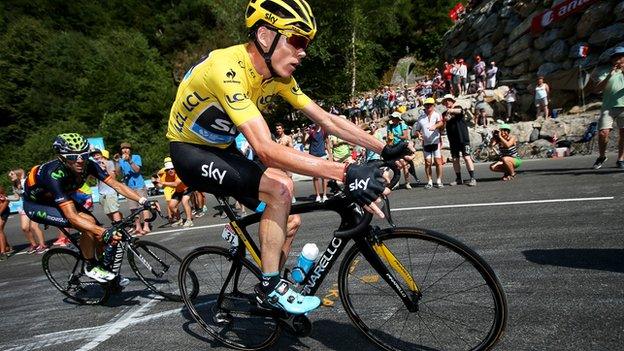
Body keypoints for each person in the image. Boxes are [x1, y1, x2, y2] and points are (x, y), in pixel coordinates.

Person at [166, 0, 407, 315]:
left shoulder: (278, 78)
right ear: (265, 35)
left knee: (290, 219)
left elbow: (328, 121)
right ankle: (270, 287)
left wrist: (383, 148)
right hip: (189, 151)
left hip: (223, 149)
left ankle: (272, 281)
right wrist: (346, 171)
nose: (303, 51)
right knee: (279, 188)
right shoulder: (226, 69)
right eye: (298, 40)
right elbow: (265, 148)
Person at [23, 133, 157, 282]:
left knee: (99, 234)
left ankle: (106, 272)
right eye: (73, 157)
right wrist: (103, 231)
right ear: (62, 158)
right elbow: (72, 216)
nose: (80, 160)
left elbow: (116, 185)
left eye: (84, 155)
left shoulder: (89, 165)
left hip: (60, 199)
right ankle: (91, 266)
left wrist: (143, 200)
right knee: (90, 225)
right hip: (38, 204)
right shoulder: (53, 174)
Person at [590, 46, 624, 170]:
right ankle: (602, 156)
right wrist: (610, 75)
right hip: (608, 107)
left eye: (620, 57)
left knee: (623, 133)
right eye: (615, 58)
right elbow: (597, 88)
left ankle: (621, 159)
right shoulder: (606, 72)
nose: (618, 60)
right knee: (603, 133)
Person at [8, 169, 48, 253]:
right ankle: (34, 245)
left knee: (34, 227)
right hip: (24, 206)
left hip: (34, 205)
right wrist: (6, 198)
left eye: (11, 175)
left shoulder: (25, 180)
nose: (10, 178)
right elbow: (17, 197)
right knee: (25, 228)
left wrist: (14, 173)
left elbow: (22, 171)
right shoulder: (14, 185)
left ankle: (43, 245)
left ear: (16, 174)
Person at [442, 94, 477, 186]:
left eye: (449, 100)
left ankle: (472, 178)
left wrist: (451, 110)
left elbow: (460, 111)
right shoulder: (444, 113)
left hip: (463, 138)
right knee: (455, 159)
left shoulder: (458, 107)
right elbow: (445, 121)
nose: (447, 102)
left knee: (466, 157)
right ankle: (458, 178)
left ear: (453, 101)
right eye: (445, 101)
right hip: (453, 139)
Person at [117, 142, 151, 235]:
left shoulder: (136, 157)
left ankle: (146, 226)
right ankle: (138, 227)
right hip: (129, 187)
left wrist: (129, 161)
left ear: (130, 150)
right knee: (133, 209)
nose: (125, 150)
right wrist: (117, 162)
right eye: (123, 149)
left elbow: (137, 170)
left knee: (143, 206)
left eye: (127, 148)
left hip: (139, 185)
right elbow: (117, 173)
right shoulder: (120, 160)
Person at [413, 98, 445, 189]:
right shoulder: (421, 118)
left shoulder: (436, 115)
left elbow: (441, 123)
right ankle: (429, 181)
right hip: (426, 143)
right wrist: (418, 135)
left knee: (438, 162)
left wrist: (435, 126)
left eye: (430, 104)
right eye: (427, 105)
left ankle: (439, 180)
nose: (428, 106)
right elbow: (417, 130)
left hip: (436, 141)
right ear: (424, 106)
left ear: (433, 105)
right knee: (428, 163)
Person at [154, 161, 194, 227]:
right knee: (171, 206)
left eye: (172, 169)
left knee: (184, 202)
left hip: (187, 188)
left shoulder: (180, 173)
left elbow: (175, 184)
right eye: (168, 169)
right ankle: (179, 220)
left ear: (175, 168)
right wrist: (155, 183)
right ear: (166, 170)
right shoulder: (165, 176)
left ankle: (189, 220)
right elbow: (160, 186)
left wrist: (163, 183)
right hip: (178, 191)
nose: (170, 171)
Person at [387, 112, 418, 188]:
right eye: (392, 118)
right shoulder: (390, 126)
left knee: (404, 165)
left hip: (402, 147)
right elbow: (388, 137)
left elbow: (405, 137)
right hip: (394, 147)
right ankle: (396, 182)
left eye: (394, 118)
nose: (393, 119)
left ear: (398, 119)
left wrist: (396, 135)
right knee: (397, 165)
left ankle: (407, 182)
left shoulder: (403, 125)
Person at [92, 149, 122, 223]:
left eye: (97, 155)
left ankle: (120, 229)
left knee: (114, 211)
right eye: (94, 155)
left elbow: (113, 177)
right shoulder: (95, 166)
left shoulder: (109, 163)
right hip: (102, 192)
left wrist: (105, 169)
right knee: (108, 212)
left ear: (102, 155)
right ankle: (118, 225)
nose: (95, 157)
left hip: (110, 192)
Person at [305, 123, 330, 202]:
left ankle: (325, 195)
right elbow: (305, 142)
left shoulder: (323, 131)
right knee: (315, 177)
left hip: (322, 155)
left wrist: (330, 155)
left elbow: (327, 142)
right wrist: (305, 134)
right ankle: (318, 195)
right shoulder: (311, 132)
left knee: (324, 176)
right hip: (313, 156)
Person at [0, 187, 14, 260]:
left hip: (3, 211)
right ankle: (7, 246)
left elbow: (6, 201)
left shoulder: (0, 189)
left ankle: (3, 252)